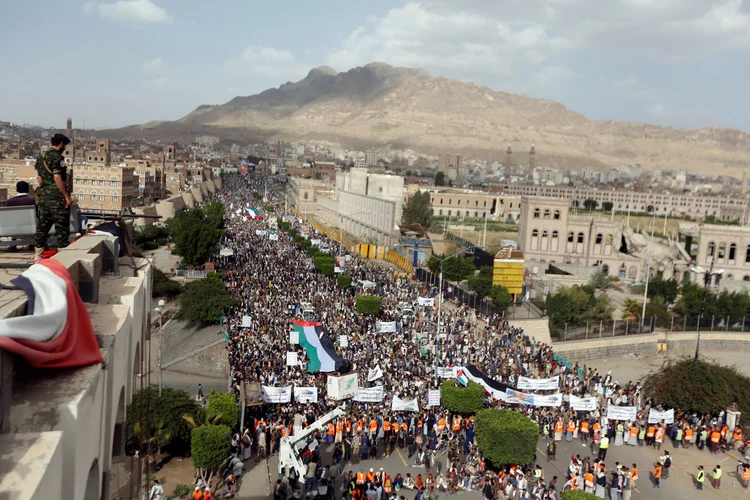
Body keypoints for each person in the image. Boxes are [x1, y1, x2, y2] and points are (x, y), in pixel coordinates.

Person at [35, 133, 74, 259]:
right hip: (57, 197)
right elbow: (57, 177)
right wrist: (66, 196)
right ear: (61, 144)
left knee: (42, 226)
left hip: (44, 196)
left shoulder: (41, 157)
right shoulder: (58, 157)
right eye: (65, 145)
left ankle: (38, 257)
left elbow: (40, 178)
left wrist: (45, 190)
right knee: (61, 227)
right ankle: (62, 257)